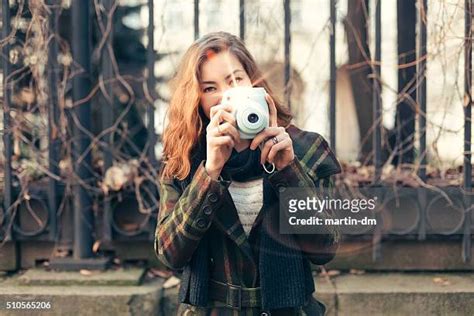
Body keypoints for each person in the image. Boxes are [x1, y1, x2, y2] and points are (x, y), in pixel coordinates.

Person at [154, 31, 341, 316]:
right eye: (209, 88)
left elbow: (324, 247)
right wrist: (210, 171)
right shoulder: (184, 159)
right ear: (197, 99)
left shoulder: (306, 149)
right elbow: (170, 254)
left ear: (253, 82)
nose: (226, 95)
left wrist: (287, 170)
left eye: (235, 80)